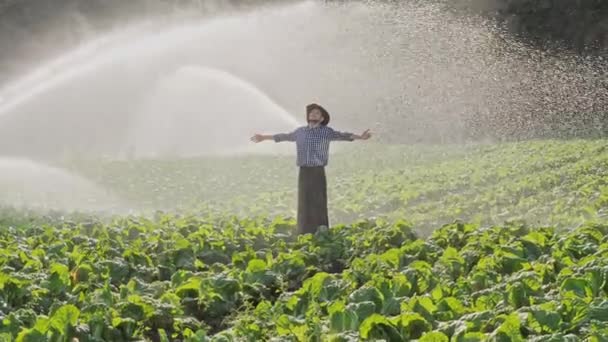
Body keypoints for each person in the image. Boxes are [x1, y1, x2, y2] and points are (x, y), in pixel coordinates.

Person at [250, 103, 372, 234]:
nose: (313, 114)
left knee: (319, 201)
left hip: (318, 170)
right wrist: (263, 137)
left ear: (322, 118)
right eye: (311, 112)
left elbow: (344, 135)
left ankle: (321, 229)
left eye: (317, 113)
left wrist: (361, 137)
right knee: (304, 201)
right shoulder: (300, 132)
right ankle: (303, 230)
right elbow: (283, 136)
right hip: (304, 171)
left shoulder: (326, 132)